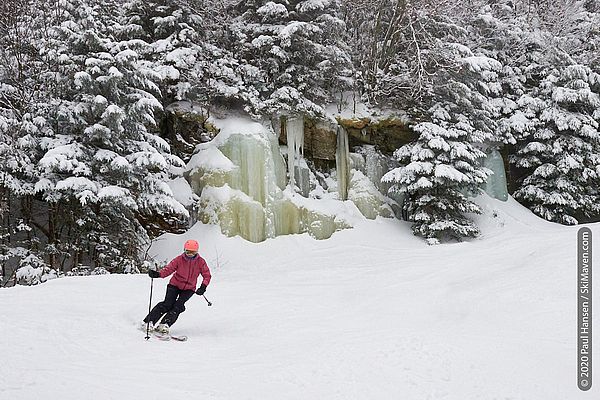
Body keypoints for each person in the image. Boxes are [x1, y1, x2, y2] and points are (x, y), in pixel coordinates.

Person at [142, 239, 211, 336]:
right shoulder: (179, 259)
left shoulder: (201, 262)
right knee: (167, 304)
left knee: (178, 306)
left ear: (197, 252)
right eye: (188, 252)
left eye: (193, 252)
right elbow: (168, 269)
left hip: (189, 289)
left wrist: (203, 286)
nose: (190, 254)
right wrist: (158, 274)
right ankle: (149, 322)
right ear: (184, 250)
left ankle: (165, 324)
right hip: (174, 285)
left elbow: (207, 275)